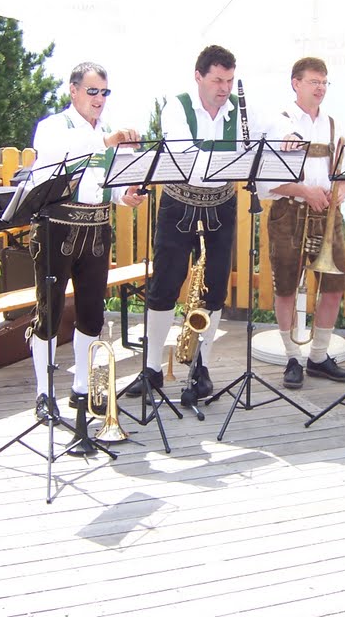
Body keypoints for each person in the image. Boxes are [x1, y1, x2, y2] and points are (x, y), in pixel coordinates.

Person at [26, 62, 144, 421]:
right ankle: (44, 395)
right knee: (48, 312)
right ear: (73, 91)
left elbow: (112, 183)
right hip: (56, 226)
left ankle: (82, 389)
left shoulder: (107, 130)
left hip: (97, 226)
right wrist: (108, 141)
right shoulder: (52, 127)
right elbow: (64, 156)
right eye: (92, 91)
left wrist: (127, 195)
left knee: (92, 312)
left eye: (104, 92)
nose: (99, 99)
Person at [128, 45, 244, 399]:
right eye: (217, 80)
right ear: (198, 76)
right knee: (163, 286)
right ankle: (151, 369)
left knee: (214, 289)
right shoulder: (177, 107)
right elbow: (186, 157)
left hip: (221, 207)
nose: (224, 88)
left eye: (229, 80)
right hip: (178, 206)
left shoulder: (241, 108)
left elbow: (272, 131)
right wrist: (232, 157)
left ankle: (200, 368)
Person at [260, 57, 345, 389]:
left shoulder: (336, 125)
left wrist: (343, 187)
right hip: (289, 213)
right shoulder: (278, 123)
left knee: (333, 288)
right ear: (295, 83)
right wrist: (304, 190)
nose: (320, 88)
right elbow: (264, 183)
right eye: (314, 81)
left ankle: (317, 356)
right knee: (286, 288)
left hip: (327, 215)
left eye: (324, 82)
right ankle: (291, 357)